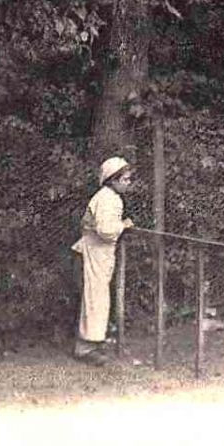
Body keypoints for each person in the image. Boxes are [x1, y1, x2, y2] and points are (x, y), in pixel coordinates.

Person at [72, 156, 136, 365]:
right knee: (96, 296)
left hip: (100, 252)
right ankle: (86, 347)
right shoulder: (108, 199)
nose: (128, 183)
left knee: (98, 295)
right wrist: (124, 225)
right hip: (96, 251)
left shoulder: (107, 197)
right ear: (113, 180)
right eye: (125, 179)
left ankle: (93, 341)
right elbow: (106, 230)